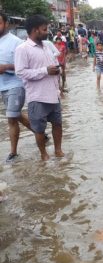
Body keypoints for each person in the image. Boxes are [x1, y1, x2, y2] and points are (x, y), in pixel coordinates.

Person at [15, 15, 64, 161]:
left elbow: (54, 64)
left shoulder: (47, 46)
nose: (47, 31)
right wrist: (45, 71)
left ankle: (58, 151)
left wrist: (58, 74)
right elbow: (20, 72)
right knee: (39, 129)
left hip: (53, 94)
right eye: (45, 29)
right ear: (35, 30)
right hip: (37, 96)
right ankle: (44, 155)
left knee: (58, 124)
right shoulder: (22, 49)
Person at [0, 12, 34, 162]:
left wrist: (6, 66)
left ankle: (13, 153)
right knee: (15, 114)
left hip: (15, 84)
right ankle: (39, 131)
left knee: (11, 117)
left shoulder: (16, 42)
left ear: (7, 24)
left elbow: (27, 65)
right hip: (1, 85)